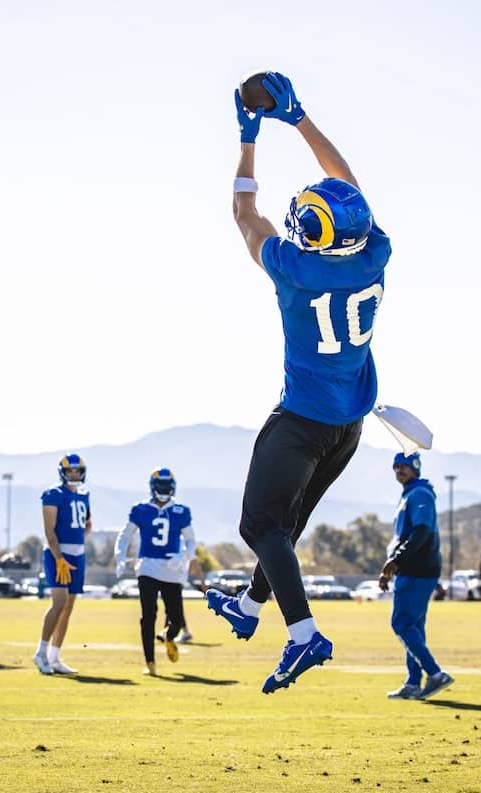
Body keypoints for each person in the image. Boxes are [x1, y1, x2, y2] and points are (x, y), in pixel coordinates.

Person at [205, 72, 392, 693]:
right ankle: (250, 606)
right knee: (286, 529)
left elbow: (243, 211)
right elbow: (348, 186)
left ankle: (303, 634)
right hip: (349, 425)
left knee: (259, 527)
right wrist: (301, 119)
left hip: (302, 421)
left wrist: (249, 138)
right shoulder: (374, 253)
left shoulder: (293, 267)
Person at [379, 452, 453, 700]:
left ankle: (435, 673)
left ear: (416, 468)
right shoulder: (410, 493)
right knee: (414, 627)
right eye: (396, 467)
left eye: (404, 466)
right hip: (412, 568)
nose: (399, 470)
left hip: (417, 569)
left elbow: (422, 531)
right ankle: (413, 682)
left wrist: (397, 560)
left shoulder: (419, 494)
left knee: (401, 623)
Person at [114, 468, 200, 676]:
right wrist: (120, 555)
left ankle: (169, 637)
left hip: (171, 568)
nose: (163, 489)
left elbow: (190, 540)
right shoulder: (141, 509)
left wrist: (184, 557)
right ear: (153, 487)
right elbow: (125, 535)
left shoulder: (181, 511)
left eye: (166, 486)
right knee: (148, 615)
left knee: (177, 619)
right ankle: (150, 662)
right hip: (147, 567)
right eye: (160, 485)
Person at [34, 454, 91, 676]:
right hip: (58, 555)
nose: (74, 475)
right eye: (70, 471)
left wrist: (82, 535)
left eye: (77, 471)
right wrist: (59, 558)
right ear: (63, 473)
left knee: (68, 607)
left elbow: (87, 522)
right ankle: (40, 652)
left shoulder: (84, 495)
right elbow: (49, 531)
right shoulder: (53, 494)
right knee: (58, 602)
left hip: (78, 555)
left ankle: (55, 657)